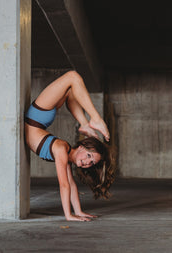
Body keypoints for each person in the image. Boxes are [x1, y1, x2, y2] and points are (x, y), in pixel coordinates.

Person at [25, 71, 115, 222]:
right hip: (36, 117)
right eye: (89, 155)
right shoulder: (61, 149)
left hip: (39, 118)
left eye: (91, 162)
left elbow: (72, 185)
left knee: (72, 91)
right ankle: (95, 119)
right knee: (73, 77)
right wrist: (68, 215)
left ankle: (85, 124)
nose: (87, 162)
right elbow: (64, 185)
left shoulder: (65, 153)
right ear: (81, 146)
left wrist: (78, 212)